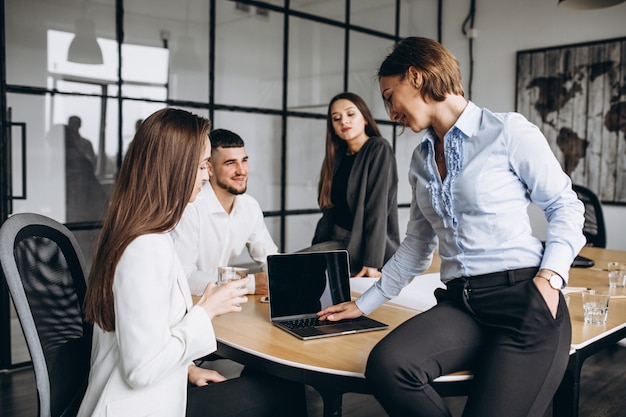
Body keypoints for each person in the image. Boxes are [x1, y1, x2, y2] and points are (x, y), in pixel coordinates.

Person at [317, 37, 586, 417]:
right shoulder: (420, 159)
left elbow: (566, 206)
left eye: (390, 95)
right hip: (462, 304)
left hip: (524, 301)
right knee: (388, 367)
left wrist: (550, 279)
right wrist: (364, 304)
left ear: (417, 77)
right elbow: (415, 245)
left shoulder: (508, 131)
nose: (390, 111)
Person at [78, 108, 307, 417]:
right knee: (285, 389)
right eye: (201, 165)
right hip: (140, 406)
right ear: (175, 168)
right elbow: (141, 370)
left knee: (273, 380)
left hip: (160, 389)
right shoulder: (146, 247)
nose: (205, 174)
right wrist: (206, 310)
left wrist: (187, 369)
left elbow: (148, 335)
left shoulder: (143, 234)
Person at [303, 92, 400, 278]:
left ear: (364, 118)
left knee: (291, 271)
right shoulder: (337, 156)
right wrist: (317, 245)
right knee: (288, 268)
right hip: (336, 240)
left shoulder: (378, 148)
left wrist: (372, 263)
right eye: (336, 118)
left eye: (350, 114)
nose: (343, 122)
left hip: (364, 246)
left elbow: (377, 209)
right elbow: (328, 211)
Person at [173, 128, 277, 296]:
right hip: (190, 305)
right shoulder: (190, 208)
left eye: (244, 161)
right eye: (230, 163)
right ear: (210, 169)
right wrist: (249, 284)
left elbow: (270, 259)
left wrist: (284, 276)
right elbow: (184, 276)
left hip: (224, 303)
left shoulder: (249, 206)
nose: (242, 170)